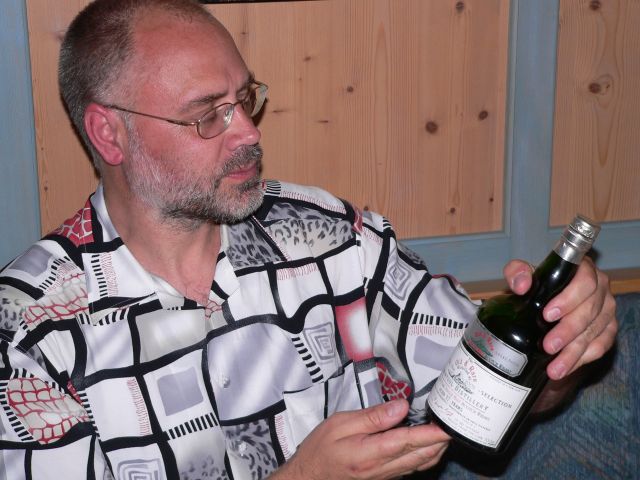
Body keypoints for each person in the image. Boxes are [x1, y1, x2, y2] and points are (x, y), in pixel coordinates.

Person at [0, 0, 616, 478]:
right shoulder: (30, 333)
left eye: (245, 98)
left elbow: (483, 388)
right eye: (207, 114)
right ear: (110, 134)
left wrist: (558, 348)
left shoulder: (330, 238)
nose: (248, 132)